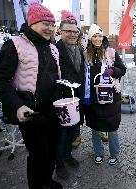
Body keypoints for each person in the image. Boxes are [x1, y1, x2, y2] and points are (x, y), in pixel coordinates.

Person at [0, 3, 63, 189]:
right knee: (38, 154)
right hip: (31, 112)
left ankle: (47, 181)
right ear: (32, 22)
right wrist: (17, 105)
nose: (50, 28)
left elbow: (55, 77)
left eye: (52, 24)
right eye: (45, 23)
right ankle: (38, 185)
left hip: (53, 111)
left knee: (52, 150)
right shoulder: (14, 44)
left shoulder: (53, 47)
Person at [82, 24, 126, 165]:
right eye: (94, 36)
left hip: (110, 95)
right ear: (90, 38)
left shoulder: (111, 52)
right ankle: (99, 152)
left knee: (111, 127)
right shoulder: (85, 53)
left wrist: (113, 71)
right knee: (95, 128)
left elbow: (122, 69)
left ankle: (114, 154)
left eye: (100, 35)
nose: (98, 38)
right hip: (92, 97)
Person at [55, 11, 84, 179]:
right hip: (61, 99)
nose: (73, 34)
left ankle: (67, 155)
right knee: (60, 135)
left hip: (76, 99)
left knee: (73, 132)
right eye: (69, 31)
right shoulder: (55, 49)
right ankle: (59, 164)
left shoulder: (79, 49)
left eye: (75, 31)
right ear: (60, 31)